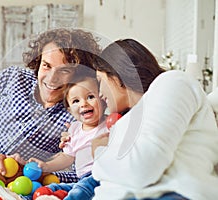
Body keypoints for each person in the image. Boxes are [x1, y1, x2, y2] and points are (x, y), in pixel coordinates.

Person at [0, 28, 102, 184]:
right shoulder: (12, 78)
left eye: (64, 70)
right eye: (47, 65)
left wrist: (33, 172)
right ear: (38, 62)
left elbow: (82, 171)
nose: (52, 79)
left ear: (79, 74)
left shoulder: (81, 114)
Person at [90, 39, 218, 199]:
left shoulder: (173, 82)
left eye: (100, 81)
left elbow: (141, 169)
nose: (100, 93)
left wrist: (100, 152)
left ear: (116, 76)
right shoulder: (129, 120)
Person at [29, 65, 107, 199]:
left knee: (78, 192)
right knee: (52, 188)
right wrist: (46, 166)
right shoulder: (74, 130)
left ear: (103, 100)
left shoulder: (110, 124)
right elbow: (67, 157)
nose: (83, 104)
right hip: (82, 179)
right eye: (76, 101)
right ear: (70, 110)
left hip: (101, 176)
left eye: (90, 97)